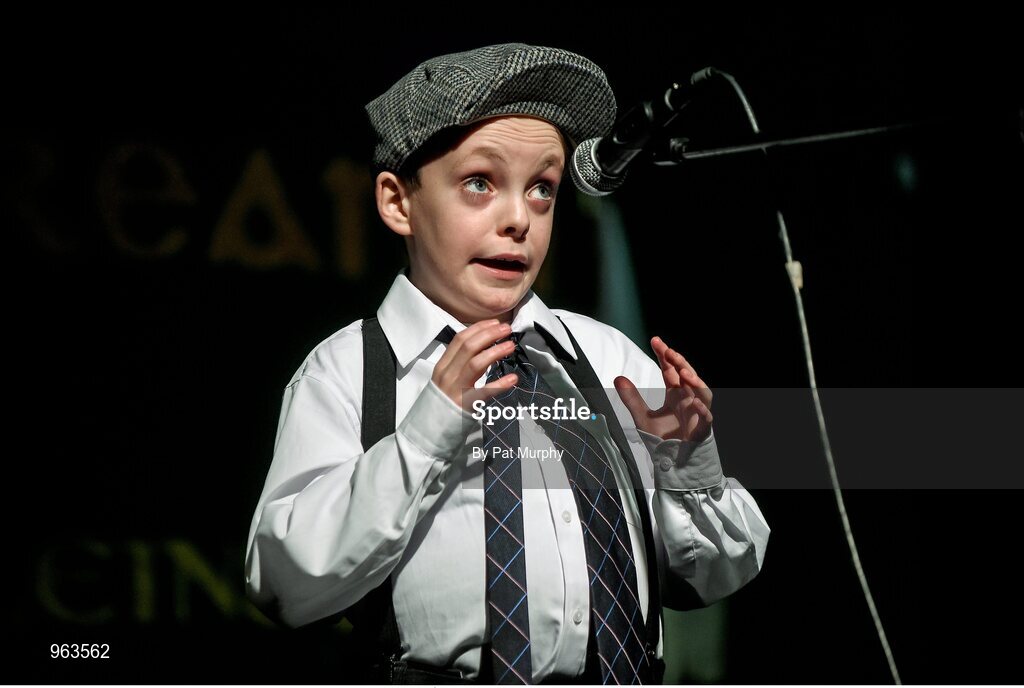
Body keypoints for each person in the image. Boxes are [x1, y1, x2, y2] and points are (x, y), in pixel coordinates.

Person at [245, 42, 770, 685]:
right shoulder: (350, 370)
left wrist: (688, 464)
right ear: (397, 202)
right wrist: (423, 434)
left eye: (542, 189)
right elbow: (281, 582)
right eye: (479, 184)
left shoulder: (606, 360)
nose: (518, 218)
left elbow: (722, 570)